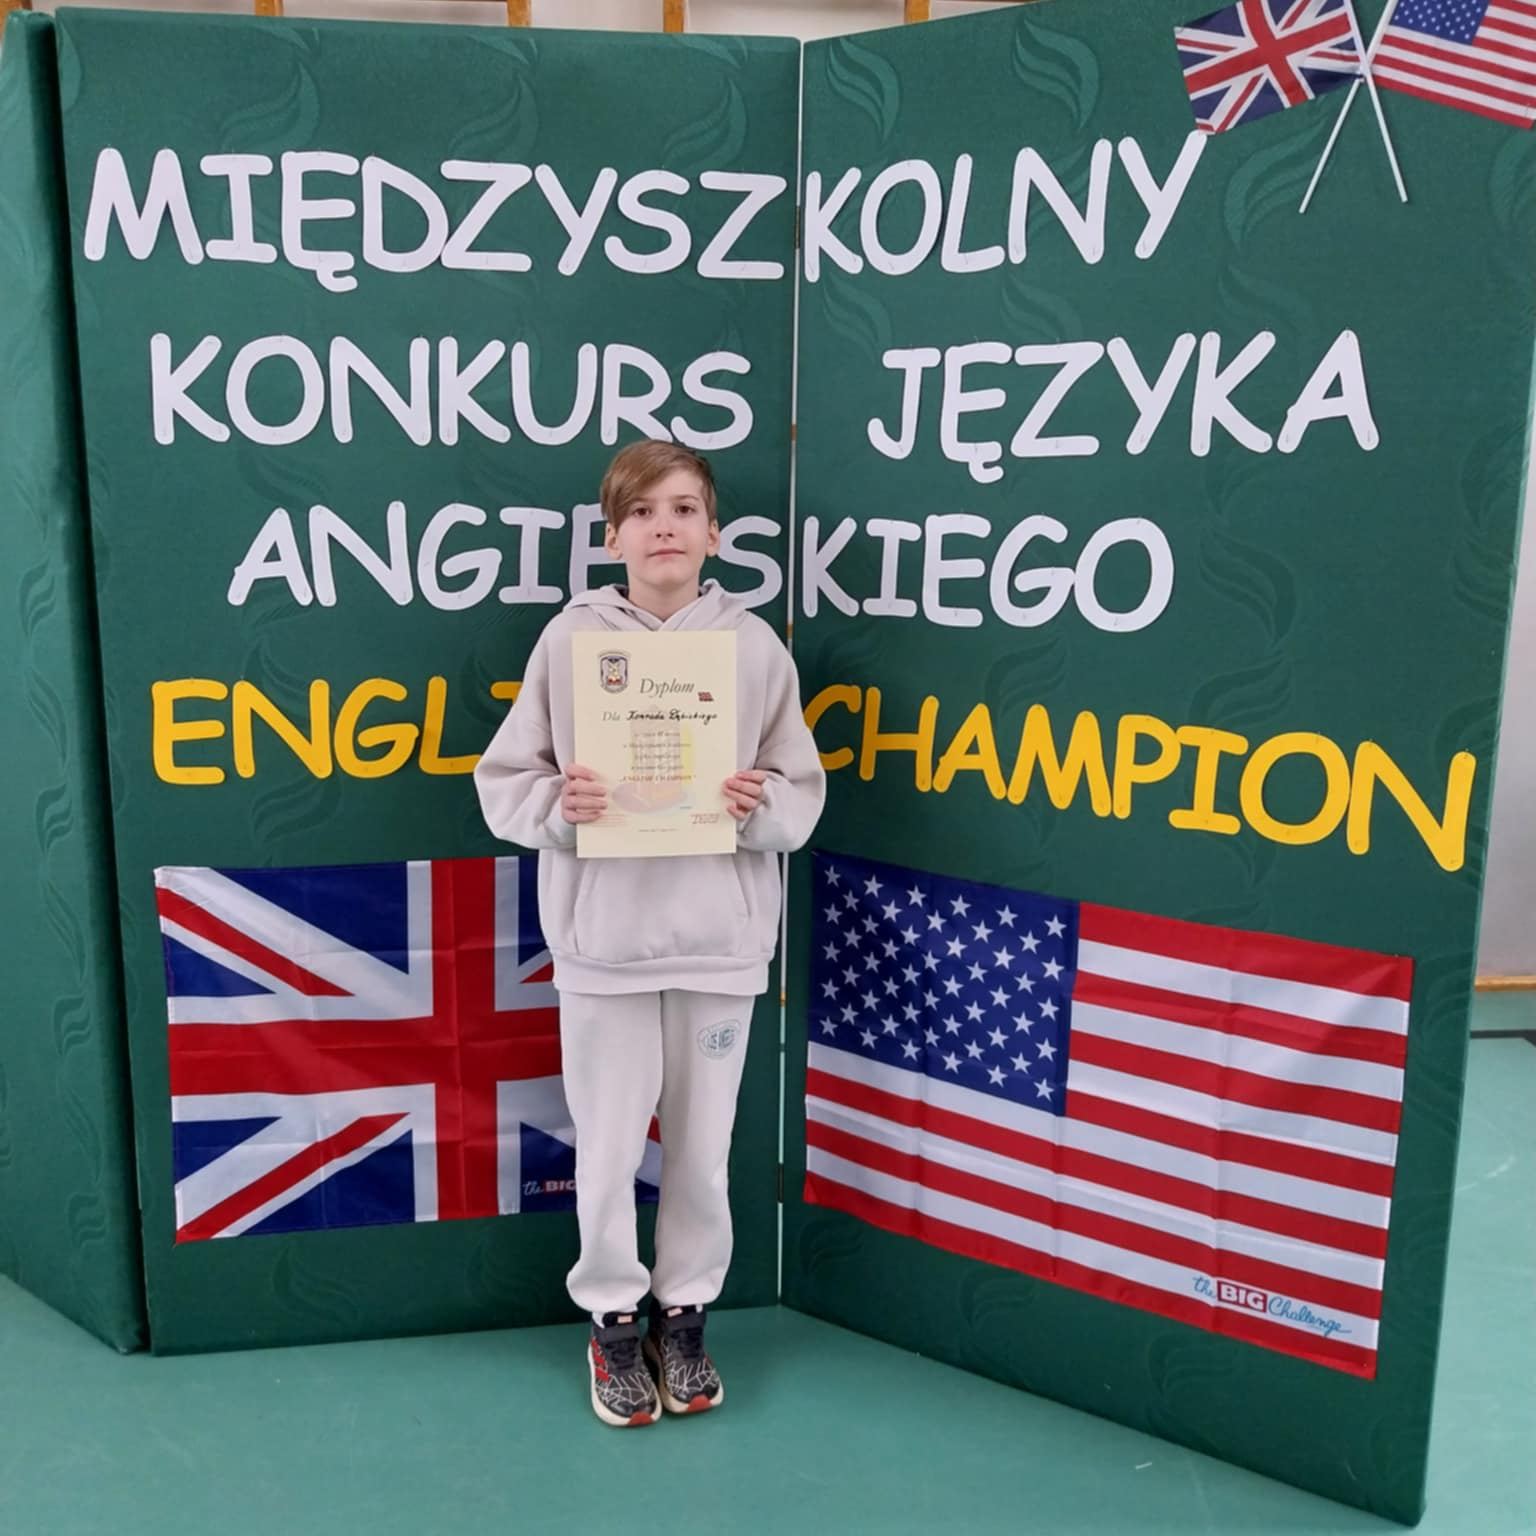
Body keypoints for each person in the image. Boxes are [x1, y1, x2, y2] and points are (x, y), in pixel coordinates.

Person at [474, 440, 825, 1427]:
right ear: (611, 535)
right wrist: (562, 804)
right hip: (605, 950)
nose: (663, 527)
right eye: (641, 512)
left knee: (704, 1150)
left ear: (714, 533)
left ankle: (686, 1314)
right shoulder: (570, 641)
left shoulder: (754, 648)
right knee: (607, 1145)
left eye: (682, 509)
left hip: (719, 945)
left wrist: (757, 806)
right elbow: (507, 781)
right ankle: (614, 1320)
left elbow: (799, 792)